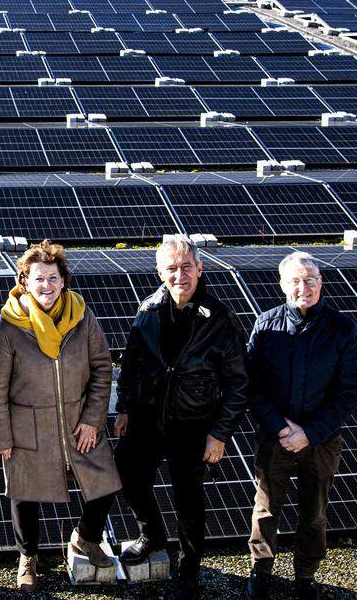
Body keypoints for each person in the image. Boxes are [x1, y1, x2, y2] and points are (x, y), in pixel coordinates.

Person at [113, 235, 249, 595]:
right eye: (171, 268)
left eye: (186, 267)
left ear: (200, 269)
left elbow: (239, 383)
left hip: (193, 422)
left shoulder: (219, 319)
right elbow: (130, 363)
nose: (179, 275)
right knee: (127, 471)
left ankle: (189, 568)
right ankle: (152, 533)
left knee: (188, 498)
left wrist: (220, 434)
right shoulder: (148, 311)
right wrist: (125, 406)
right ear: (160, 271)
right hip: (147, 416)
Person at [0, 240, 122, 592]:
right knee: (24, 494)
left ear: (64, 281)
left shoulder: (82, 317)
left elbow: (101, 368)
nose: (46, 285)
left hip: (79, 421)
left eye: (52, 277)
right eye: (38, 279)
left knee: (105, 483)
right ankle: (28, 556)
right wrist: (1, 437)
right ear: (25, 283)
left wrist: (93, 418)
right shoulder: (9, 329)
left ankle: (86, 538)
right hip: (27, 427)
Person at [245, 251, 357, 600]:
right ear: (283, 285)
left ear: (321, 283)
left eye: (310, 280)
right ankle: (261, 571)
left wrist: (309, 433)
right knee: (266, 509)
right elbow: (253, 385)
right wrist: (281, 429)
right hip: (274, 437)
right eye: (295, 281)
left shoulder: (343, 330)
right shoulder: (266, 326)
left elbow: (348, 391)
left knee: (314, 513)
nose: (303, 287)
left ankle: (305, 577)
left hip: (322, 440)